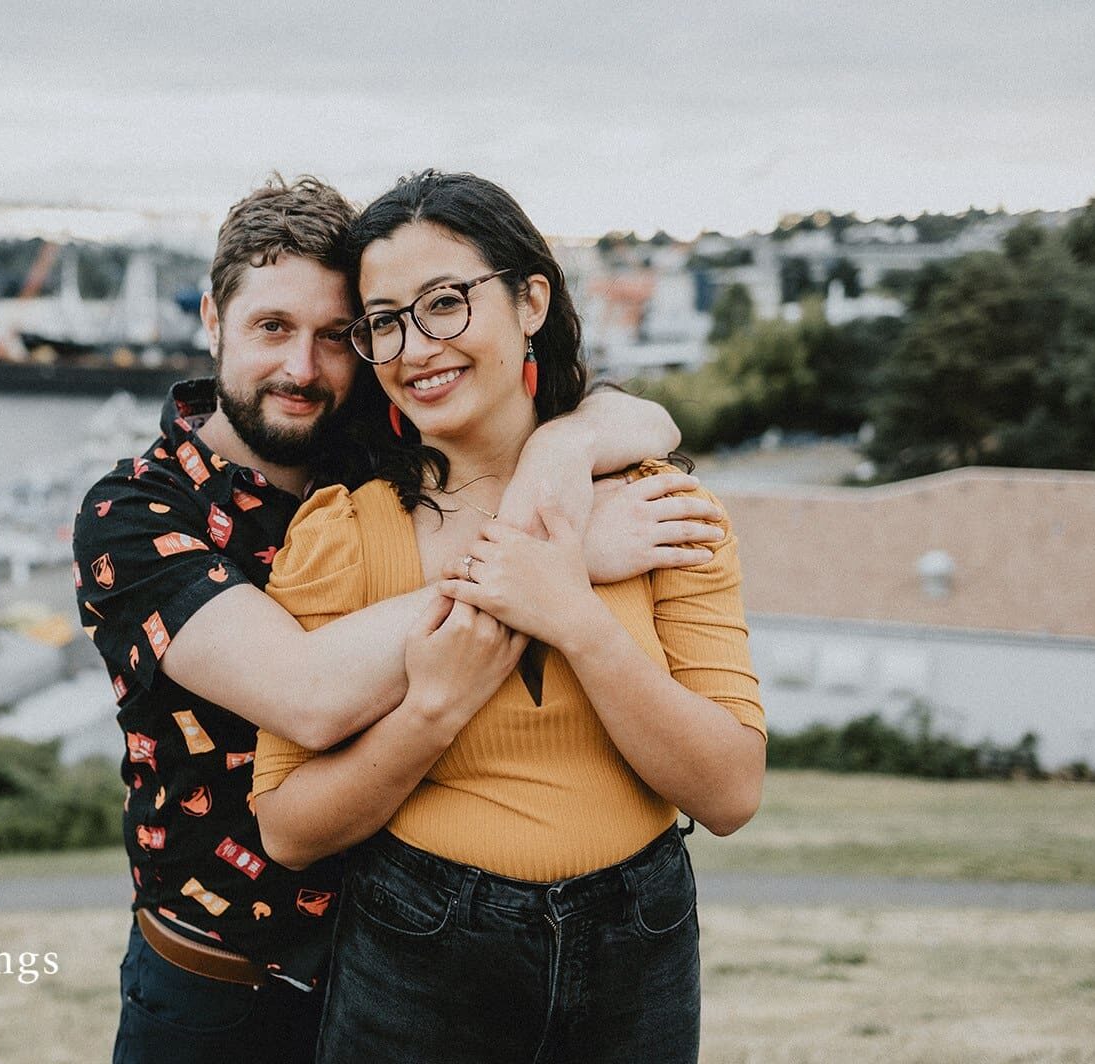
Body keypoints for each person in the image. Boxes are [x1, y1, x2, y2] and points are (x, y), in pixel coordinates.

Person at [72, 174, 724, 1064]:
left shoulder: (371, 449)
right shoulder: (138, 515)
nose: (302, 368)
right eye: (271, 327)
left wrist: (566, 445)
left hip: (407, 953)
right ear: (212, 319)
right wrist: (551, 558)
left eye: (339, 336)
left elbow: (629, 411)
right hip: (224, 988)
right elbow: (303, 695)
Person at [250, 171, 767, 1064]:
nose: (415, 348)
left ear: (531, 299)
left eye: (444, 303)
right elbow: (289, 827)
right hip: (415, 951)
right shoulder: (341, 533)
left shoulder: (656, 507)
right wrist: (430, 712)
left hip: (635, 948)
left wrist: (574, 615)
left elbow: (728, 792)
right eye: (383, 321)